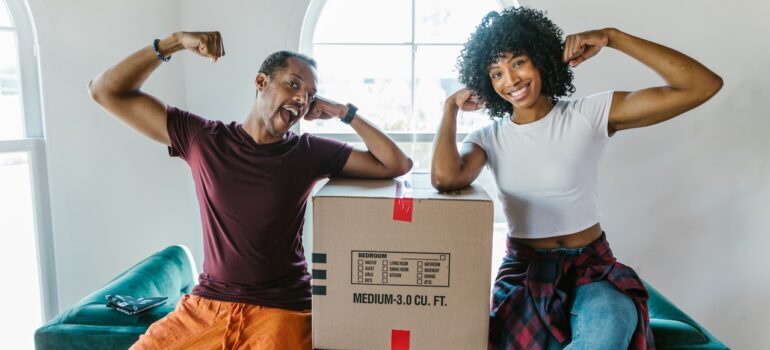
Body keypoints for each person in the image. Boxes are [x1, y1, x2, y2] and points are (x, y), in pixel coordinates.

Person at [88, 31, 413, 349]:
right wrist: (174, 42)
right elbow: (104, 91)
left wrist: (344, 112)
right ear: (261, 82)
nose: (302, 99)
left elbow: (395, 164)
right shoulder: (203, 138)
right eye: (293, 84)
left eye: (311, 95)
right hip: (206, 308)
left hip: (282, 310)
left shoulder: (307, 151)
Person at [431, 7, 722, 350]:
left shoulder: (588, 114)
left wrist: (613, 37)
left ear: (540, 58)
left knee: (610, 323)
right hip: (526, 273)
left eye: (518, 62)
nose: (510, 81)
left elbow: (701, 86)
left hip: (592, 268)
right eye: (495, 73)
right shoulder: (487, 137)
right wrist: (449, 108)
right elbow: (446, 178)